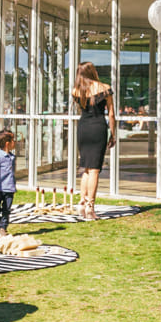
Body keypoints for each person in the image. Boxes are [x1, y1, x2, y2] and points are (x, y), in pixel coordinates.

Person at [70, 61, 117, 219]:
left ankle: (82, 203)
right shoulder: (105, 88)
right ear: (92, 71)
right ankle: (91, 206)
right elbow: (111, 114)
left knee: (86, 168)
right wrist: (113, 133)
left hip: (83, 128)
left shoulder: (76, 91)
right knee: (95, 169)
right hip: (98, 128)